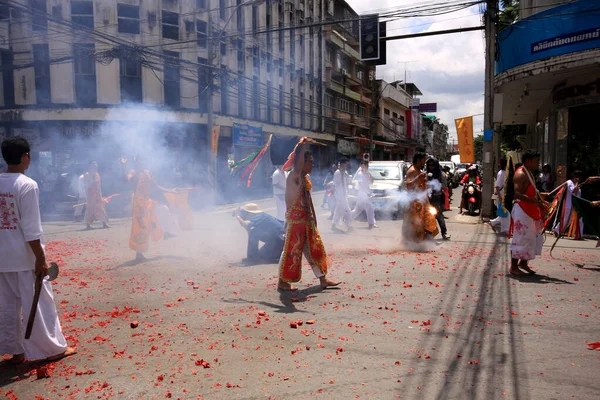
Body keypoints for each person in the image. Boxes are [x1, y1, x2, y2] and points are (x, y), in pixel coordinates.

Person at [0, 137, 76, 365]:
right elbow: (31, 228)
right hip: (24, 258)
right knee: (40, 304)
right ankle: (50, 349)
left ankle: (15, 352)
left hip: (2, 258)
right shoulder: (26, 184)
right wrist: (41, 259)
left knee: (6, 306)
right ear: (25, 157)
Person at [277, 137, 340, 291]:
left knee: (315, 249)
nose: (312, 164)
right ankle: (282, 282)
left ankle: (323, 280)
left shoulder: (305, 178)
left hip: (306, 222)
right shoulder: (294, 176)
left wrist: (313, 219)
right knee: (291, 252)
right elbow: (297, 166)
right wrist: (302, 146)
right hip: (294, 223)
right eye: (309, 161)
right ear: (301, 162)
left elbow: (308, 201)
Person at [121, 156, 177, 261]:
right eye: (140, 161)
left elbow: (155, 187)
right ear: (136, 162)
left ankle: (166, 232)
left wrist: (170, 190)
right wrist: (123, 166)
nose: (142, 162)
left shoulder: (148, 173)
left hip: (148, 202)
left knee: (163, 209)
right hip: (139, 205)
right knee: (142, 227)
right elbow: (125, 180)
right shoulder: (134, 172)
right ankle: (139, 253)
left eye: (144, 160)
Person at [509, 150, 549, 276]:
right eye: (536, 161)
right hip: (522, 210)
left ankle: (523, 263)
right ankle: (514, 266)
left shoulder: (529, 173)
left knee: (531, 238)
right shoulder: (520, 173)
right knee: (520, 238)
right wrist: (535, 201)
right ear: (528, 161)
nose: (538, 163)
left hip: (530, 210)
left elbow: (529, 191)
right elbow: (517, 194)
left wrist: (539, 198)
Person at [403, 152, 440, 243]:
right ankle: (415, 242)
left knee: (429, 221)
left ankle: (428, 240)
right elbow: (408, 185)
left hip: (422, 202)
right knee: (416, 225)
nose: (424, 163)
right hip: (414, 203)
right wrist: (418, 178)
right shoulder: (412, 171)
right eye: (423, 161)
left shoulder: (419, 171)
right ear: (418, 160)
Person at [554, 171, 584, 239]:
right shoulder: (569, 182)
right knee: (567, 220)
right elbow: (574, 192)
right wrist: (576, 183)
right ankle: (557, 230)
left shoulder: (577, 184)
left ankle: (579, 235)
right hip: (569, 204)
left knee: (580, 220)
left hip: (577, 205)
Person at [425, 158, 450, 240]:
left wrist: (436, 187)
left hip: (436, 198)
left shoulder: (441, 174)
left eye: (433, 165)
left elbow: (444, 186)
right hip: (426, 198)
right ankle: (428, 234)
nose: (431, 167)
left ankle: (444, 233)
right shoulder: (425, 174)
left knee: (439, 216)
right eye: (429, 165)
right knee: (427, 216)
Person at [83, 161, 110, 230]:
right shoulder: (86, 175)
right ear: (90, 167)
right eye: (93, 166)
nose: (95, 167)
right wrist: (91, 180)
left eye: (96, 166)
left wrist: (100, 194)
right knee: (90, 210)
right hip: (90, 195)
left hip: (98, 195)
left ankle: (104, 223)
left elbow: (99, 186)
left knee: (101, 208)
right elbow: (86, 186)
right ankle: (88, 225)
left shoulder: (97, 175)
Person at [350, 160, 377, 229]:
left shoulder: (366, 173)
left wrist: (369, 174)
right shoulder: (360, 174)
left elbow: (371, 182)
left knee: (357, 210)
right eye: (366, 165)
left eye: (367, 165)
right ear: (362, 165)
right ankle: (371, 224)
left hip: (365, 194)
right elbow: (361, 185)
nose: (367, 167)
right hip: (363, 194)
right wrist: (368, 193)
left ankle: (347, 218)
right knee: (370, 208)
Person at [332, 157, 352, 232]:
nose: (347, 165)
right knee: (347, 210)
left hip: (344, 194)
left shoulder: (344, 172)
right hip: (340, 195)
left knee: (338, 210)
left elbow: (346, 182)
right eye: (346, 164)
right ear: (342, 164)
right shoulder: (338, 172)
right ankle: (349, 226)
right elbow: (336, 184)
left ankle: (333, 225)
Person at [491, 158, 510, 234]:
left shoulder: (503, 172)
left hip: (503, 195)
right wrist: (500, 196)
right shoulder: (502, 173)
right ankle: (505, 229)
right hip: (501, 196)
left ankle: (493, 223)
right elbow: (497, 186)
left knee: (503, 213)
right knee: (506, 213)